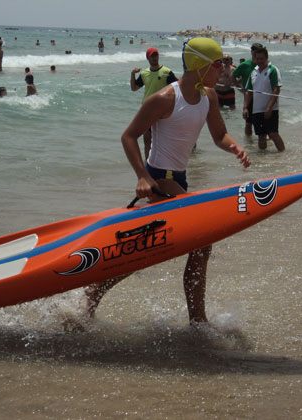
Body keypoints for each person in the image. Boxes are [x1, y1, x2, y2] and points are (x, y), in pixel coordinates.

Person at [84, 38, 250, 325]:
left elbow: (219, 135)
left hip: (179, 179)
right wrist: (143, 176)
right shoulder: (164, 99)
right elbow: (128, 136)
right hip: (161, 179)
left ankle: (92, 294)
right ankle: (198, 322)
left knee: (144, 250)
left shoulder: (208, 96)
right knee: (201, 242)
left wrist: (234, 146)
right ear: (199, 65)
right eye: (218, 64)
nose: (223, 69)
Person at [130, 47, 178, 159]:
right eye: (152, 56)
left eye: (156, 55)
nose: (154, 58)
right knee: (147, 139)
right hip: (147, 109)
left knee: (163, 139)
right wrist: (132, 74)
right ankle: (148, 164)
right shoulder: (144, 74)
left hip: (162, 110)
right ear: (148, 58)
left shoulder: (167, 72)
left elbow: (177, 88)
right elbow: (134, 88)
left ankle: (163, 162)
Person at [243, 47, 285, 151]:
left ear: (267, 58)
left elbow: (276, 90)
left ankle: (282, 154)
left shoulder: (273, 70)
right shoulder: (254, 72)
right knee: (261, 136)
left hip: (271, 109)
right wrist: (245, 108)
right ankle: (262, 159)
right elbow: (249, 92)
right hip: (257, 110)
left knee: (273, 134)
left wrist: (269, 107)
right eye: (258, 59)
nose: (260, 61)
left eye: (262, 59)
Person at [232, 43, 263, 136]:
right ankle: (249, 143)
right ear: (251, 51)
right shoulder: (245, 65)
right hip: (249, 96)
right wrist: (239, 88)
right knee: (248, 122)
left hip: (262, 97)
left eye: (257, 50)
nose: (255, 52)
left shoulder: (263, 64)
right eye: (253, 49)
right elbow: (233, 76)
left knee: (263, 121)